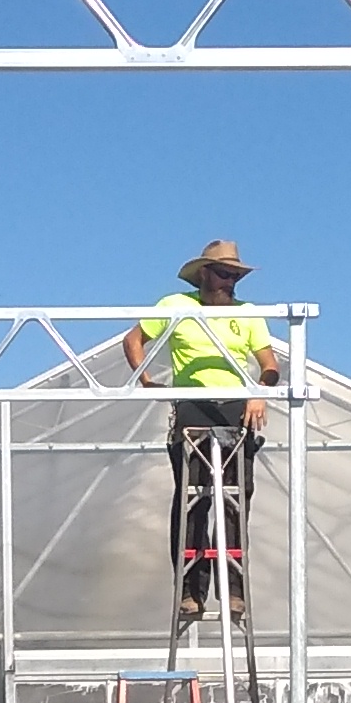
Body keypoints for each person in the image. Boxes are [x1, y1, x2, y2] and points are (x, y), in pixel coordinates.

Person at [120, 236, 283, 624]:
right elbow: (134, 339)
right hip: (193, 409)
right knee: (193, 502)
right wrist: (146, 383)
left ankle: (234, 590)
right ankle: (192, 592)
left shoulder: (247, 314)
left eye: (236, 276)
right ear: (205, 274)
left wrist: (260, 391)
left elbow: (269, 362)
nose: (231, 283)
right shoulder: (176, 306)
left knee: (235, 501)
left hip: (235, 411)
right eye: (225, 274)